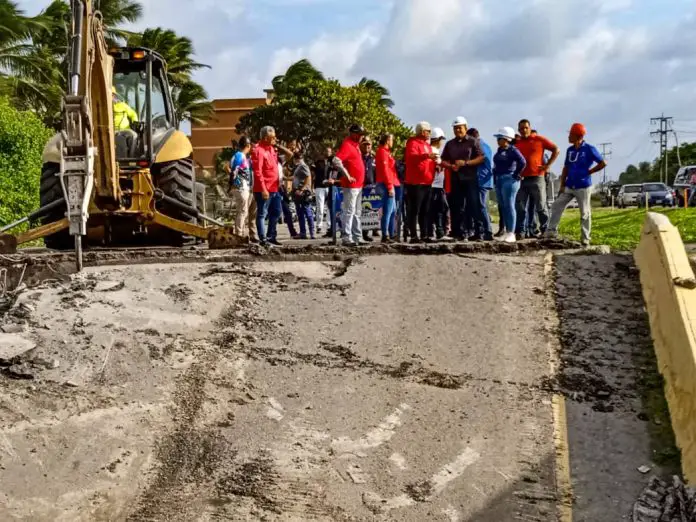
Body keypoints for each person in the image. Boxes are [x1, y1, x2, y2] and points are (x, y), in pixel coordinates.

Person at [546, 123, 606, 246]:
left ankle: (585, 238)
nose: (568, 137)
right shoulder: (570, 150)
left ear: (577, 136)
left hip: (583, 186)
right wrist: (562, 184)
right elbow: (566, 168)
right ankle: (551, 231)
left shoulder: (589, 149)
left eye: (570, 134)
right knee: (557, 205)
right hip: (569, 185)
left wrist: (589, 171)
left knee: (585, 212)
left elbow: (603, 163)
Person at [514, 119, 560, 239]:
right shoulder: (517, 144)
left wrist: (547, 165)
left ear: (530, 128)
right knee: (520, 206)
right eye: (521, 128)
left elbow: (556, 149)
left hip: (537, 177)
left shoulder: (539, 139)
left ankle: (546, 230)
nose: (524, 130)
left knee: (541, 206)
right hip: (522, 179)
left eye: (526, 128)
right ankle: (521, 231)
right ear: (518, 130)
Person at [441, 117, 484, 241]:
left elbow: (481, 158)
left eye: (460, 127)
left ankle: (478, 232)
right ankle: (458, 232)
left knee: (474, 205)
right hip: (456, 179)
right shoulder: (450, 144)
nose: (457, 130)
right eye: (455, 128)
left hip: (470, 178)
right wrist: (450, 166)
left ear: (465, 127)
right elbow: (443, 160)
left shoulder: (473, 141)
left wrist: (465, 163)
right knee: (456, 206)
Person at [492, 127, 527, 243]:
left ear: (506, 139)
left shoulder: (513, 150)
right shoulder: (499, 150)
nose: (498, 140)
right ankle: (507, 231)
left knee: (509, 204)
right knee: (503, 206)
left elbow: (523, 162)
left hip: (510, 179)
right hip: (500, 179)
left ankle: (512, 232)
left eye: (500, 138)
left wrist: (516, 174)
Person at [404, 121, 437, 243]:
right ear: (422, 131)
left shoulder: (427, 145)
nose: (429, 133)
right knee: (414, 210)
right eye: (428, 131)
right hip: (415, 182)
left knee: (425, 210)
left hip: (427, 182)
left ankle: (424, 234)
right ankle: (413, 236)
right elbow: (412, 157)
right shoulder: (412, 143)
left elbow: (428, 160)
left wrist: (435, 165)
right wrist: (426, 156)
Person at [334, 124, 366, 247]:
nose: (361, 137)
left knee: (357, 211)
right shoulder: (347, 145)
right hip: (351, 185)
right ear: (353, 133)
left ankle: (357, 236)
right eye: (359, 135)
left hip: (358, 184)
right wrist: (347, 175)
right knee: (349, 211)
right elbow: (336, 160)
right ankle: (347, 237)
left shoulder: (356, 145)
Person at [251, 126, 282, 247]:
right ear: (265, 138)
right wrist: (264, 189)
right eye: (273, 137)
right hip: (264, 189)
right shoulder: (259, 151)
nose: (275, 139)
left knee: (276, 212)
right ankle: (263, 239)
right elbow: (257, 172)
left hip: (275, 188)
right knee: (262, 213)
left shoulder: (272, 150)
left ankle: (271, 236)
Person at [227, 136, 257, 241]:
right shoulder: (240, 156)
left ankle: (241, 233)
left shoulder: (239, 156)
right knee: (242, 211)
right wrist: (235, 185)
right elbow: (234, 172)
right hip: (241, 187)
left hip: (242, 187)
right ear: (248, 146)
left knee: (243, 211)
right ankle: (239, 234)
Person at [467, 128, 494, 241]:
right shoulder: (480, 145)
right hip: (477, 179)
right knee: (476, 206)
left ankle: (488, 231)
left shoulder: (482, 146)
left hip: (482, 179)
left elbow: (486, 161)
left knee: (482, 206)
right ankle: (479, 232)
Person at [375, 133, 399, 243]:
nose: (392, 142)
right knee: (388, 210)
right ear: (387, 140)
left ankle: (391, 233)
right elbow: (385, 170)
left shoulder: (386, 152)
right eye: (392, 140)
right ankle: (385, 235)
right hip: (385, 184)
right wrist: (390, 186)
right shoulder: (382, 152)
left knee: (393, 210)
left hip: (389, 183)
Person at [428, 127, 448, 240]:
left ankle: (432, 232)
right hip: (435, 185)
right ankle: (439, 232)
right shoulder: (434, 152)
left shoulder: (432, 151)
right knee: (439, 209)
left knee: (434, 210)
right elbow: (438, 167)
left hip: (436, 185)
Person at [291, 152, 315, 239]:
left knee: (307, 213)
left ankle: (312, 233)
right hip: (298, 193)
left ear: (296, 159)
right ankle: (303, 233)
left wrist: (302, 189)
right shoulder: (299, 166)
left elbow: (308, 177)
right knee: (300, 213)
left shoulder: (302, 165)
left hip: (303, 194)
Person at [312, 146, 333, 235]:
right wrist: (311, 186)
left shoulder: (333, 163)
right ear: (323, 152)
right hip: (319, 186)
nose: (327, 153)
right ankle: (319, 226)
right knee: (320, 207)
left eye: (329, 151)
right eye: (326, 151)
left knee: (329, 207)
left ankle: (329, 226)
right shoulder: (317, 162)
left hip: (330, 187)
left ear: (331, 153)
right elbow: (312, 174)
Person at [360, 137, 377, 242]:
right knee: (358, 211)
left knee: (368, 211)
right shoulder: (357, 156)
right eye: (365, 144)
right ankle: (358, 233)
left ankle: (366, 233)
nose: (367, 146)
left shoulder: (374, 158)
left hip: (371, 187)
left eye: (369, 144)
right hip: (359, 187)